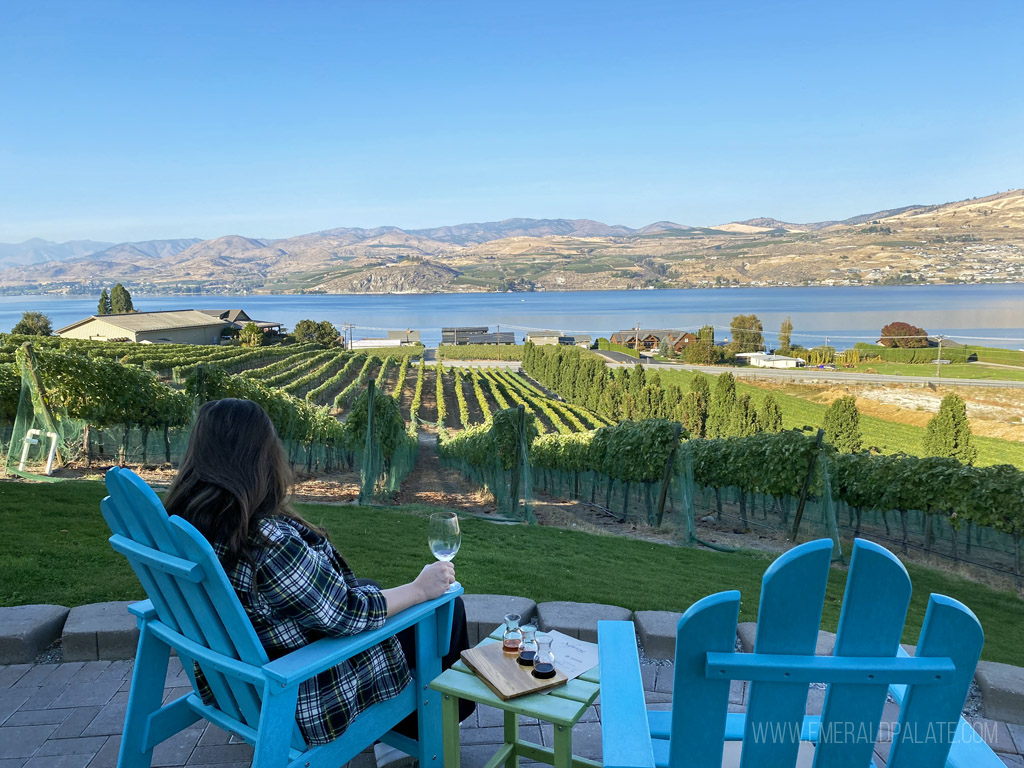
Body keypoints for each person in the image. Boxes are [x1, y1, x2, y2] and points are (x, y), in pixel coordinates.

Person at [163, 397, 474, 760]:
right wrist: (420, 589)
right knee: (446, 609)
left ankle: (402, 731)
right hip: (306, 691)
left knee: (375, 588)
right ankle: (418, 729)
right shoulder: (265, 543)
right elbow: (345, 613)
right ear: (259, 457)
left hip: (240, 680)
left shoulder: (190, 524)